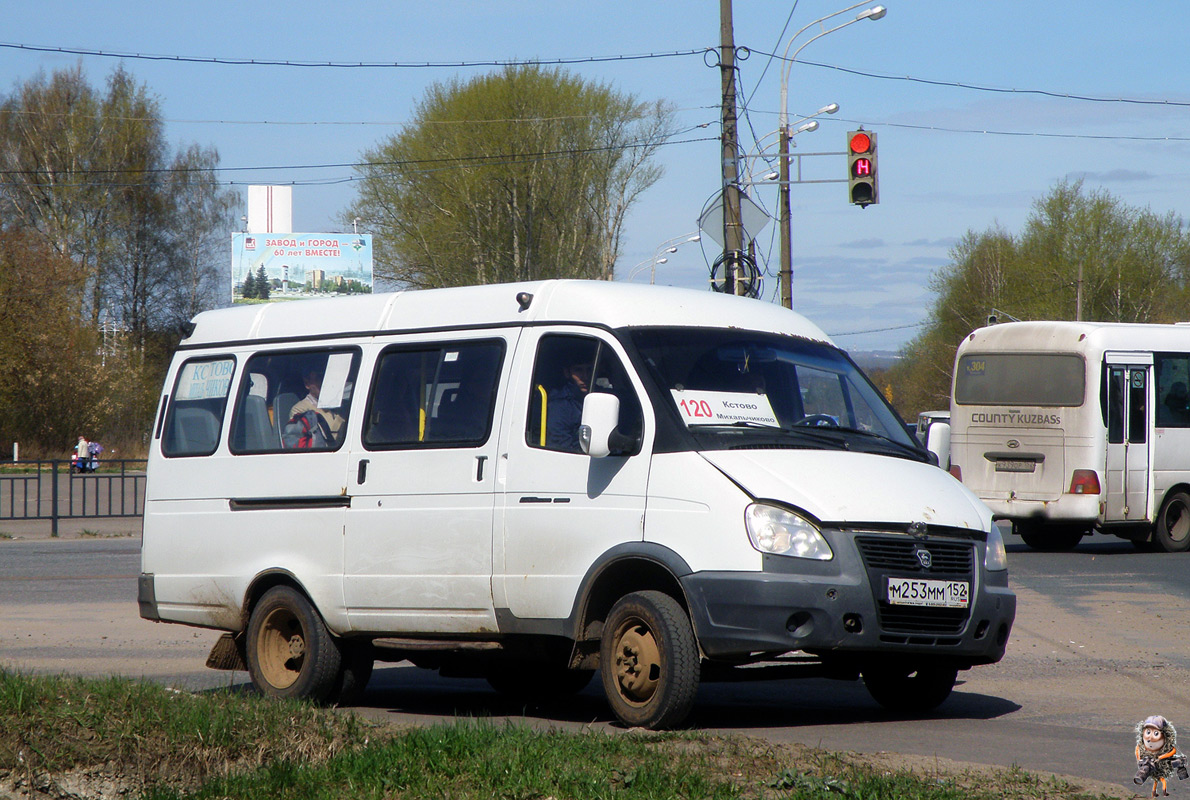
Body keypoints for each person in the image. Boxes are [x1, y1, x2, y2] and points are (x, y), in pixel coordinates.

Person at [285, 368, 345, 447]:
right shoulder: (300, 410)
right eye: (318, 379)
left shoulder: (342, 405)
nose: (323, 383)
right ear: (307, 384)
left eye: (326, 378)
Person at [546, 360, 591, 453]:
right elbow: (561, 445)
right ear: (567, 373)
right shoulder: (560, 405)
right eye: (579, 370)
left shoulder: (603, 395)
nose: (585, 376)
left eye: (589, 370)